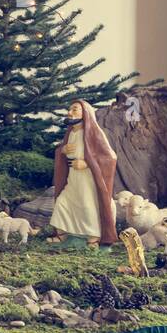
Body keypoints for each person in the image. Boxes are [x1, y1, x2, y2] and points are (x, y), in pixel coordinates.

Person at [49, 99, 118, 246]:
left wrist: (86, 163)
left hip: (88, 179)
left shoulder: (93, 133)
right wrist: (63, 150)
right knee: (63, 202)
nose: (69, 113)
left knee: (88, 206)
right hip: (73, 177)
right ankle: (62, 233)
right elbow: (62, 151)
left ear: (85, 113)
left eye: (74, 109)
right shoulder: (71, 133)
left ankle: (94, 237)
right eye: (69, 109)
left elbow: (109, 157)